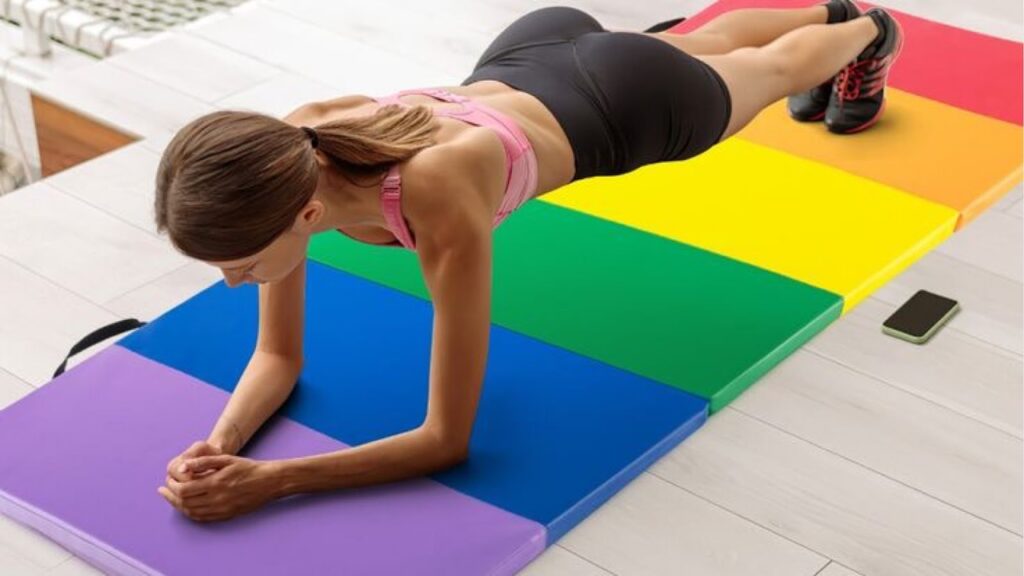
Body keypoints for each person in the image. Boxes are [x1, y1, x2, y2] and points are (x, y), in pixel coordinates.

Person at [155, 2, 902, 522]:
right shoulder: (288, 153)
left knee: (769, 73)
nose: (233, 280)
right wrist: (220, 449)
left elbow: (445, 438)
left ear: (308, 217)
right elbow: (277, 356)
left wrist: (274, 482)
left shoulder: (434, 191)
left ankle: (868, 31)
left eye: (241, 262)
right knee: (703, 46)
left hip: (630, 106)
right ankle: (831, 11)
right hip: (534, 54)